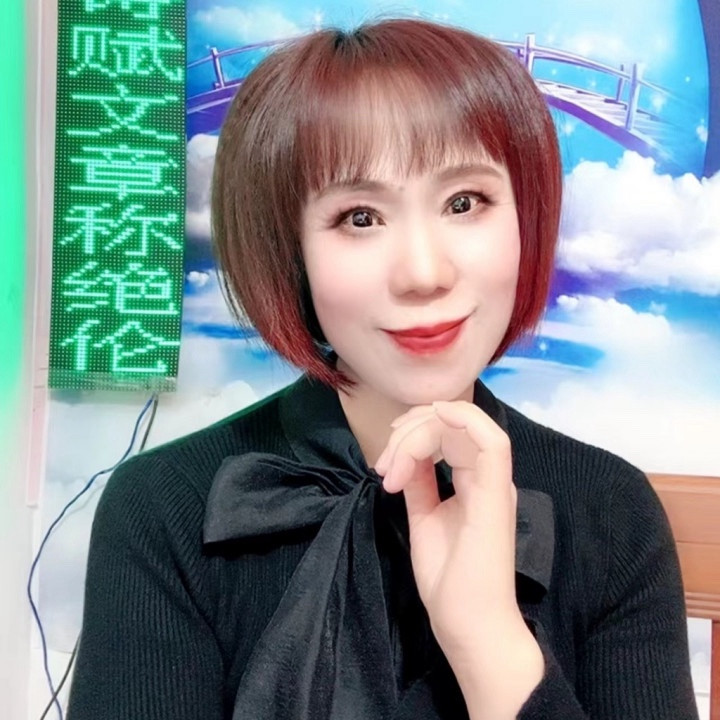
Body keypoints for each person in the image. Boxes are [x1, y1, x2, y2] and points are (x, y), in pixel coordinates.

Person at [67, 18, 699, 720]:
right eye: (360, 217)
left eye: (465, 203)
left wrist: (489, 643)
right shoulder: (166, 508)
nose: (424, 273)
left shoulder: (611, 511)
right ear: (288, 250)